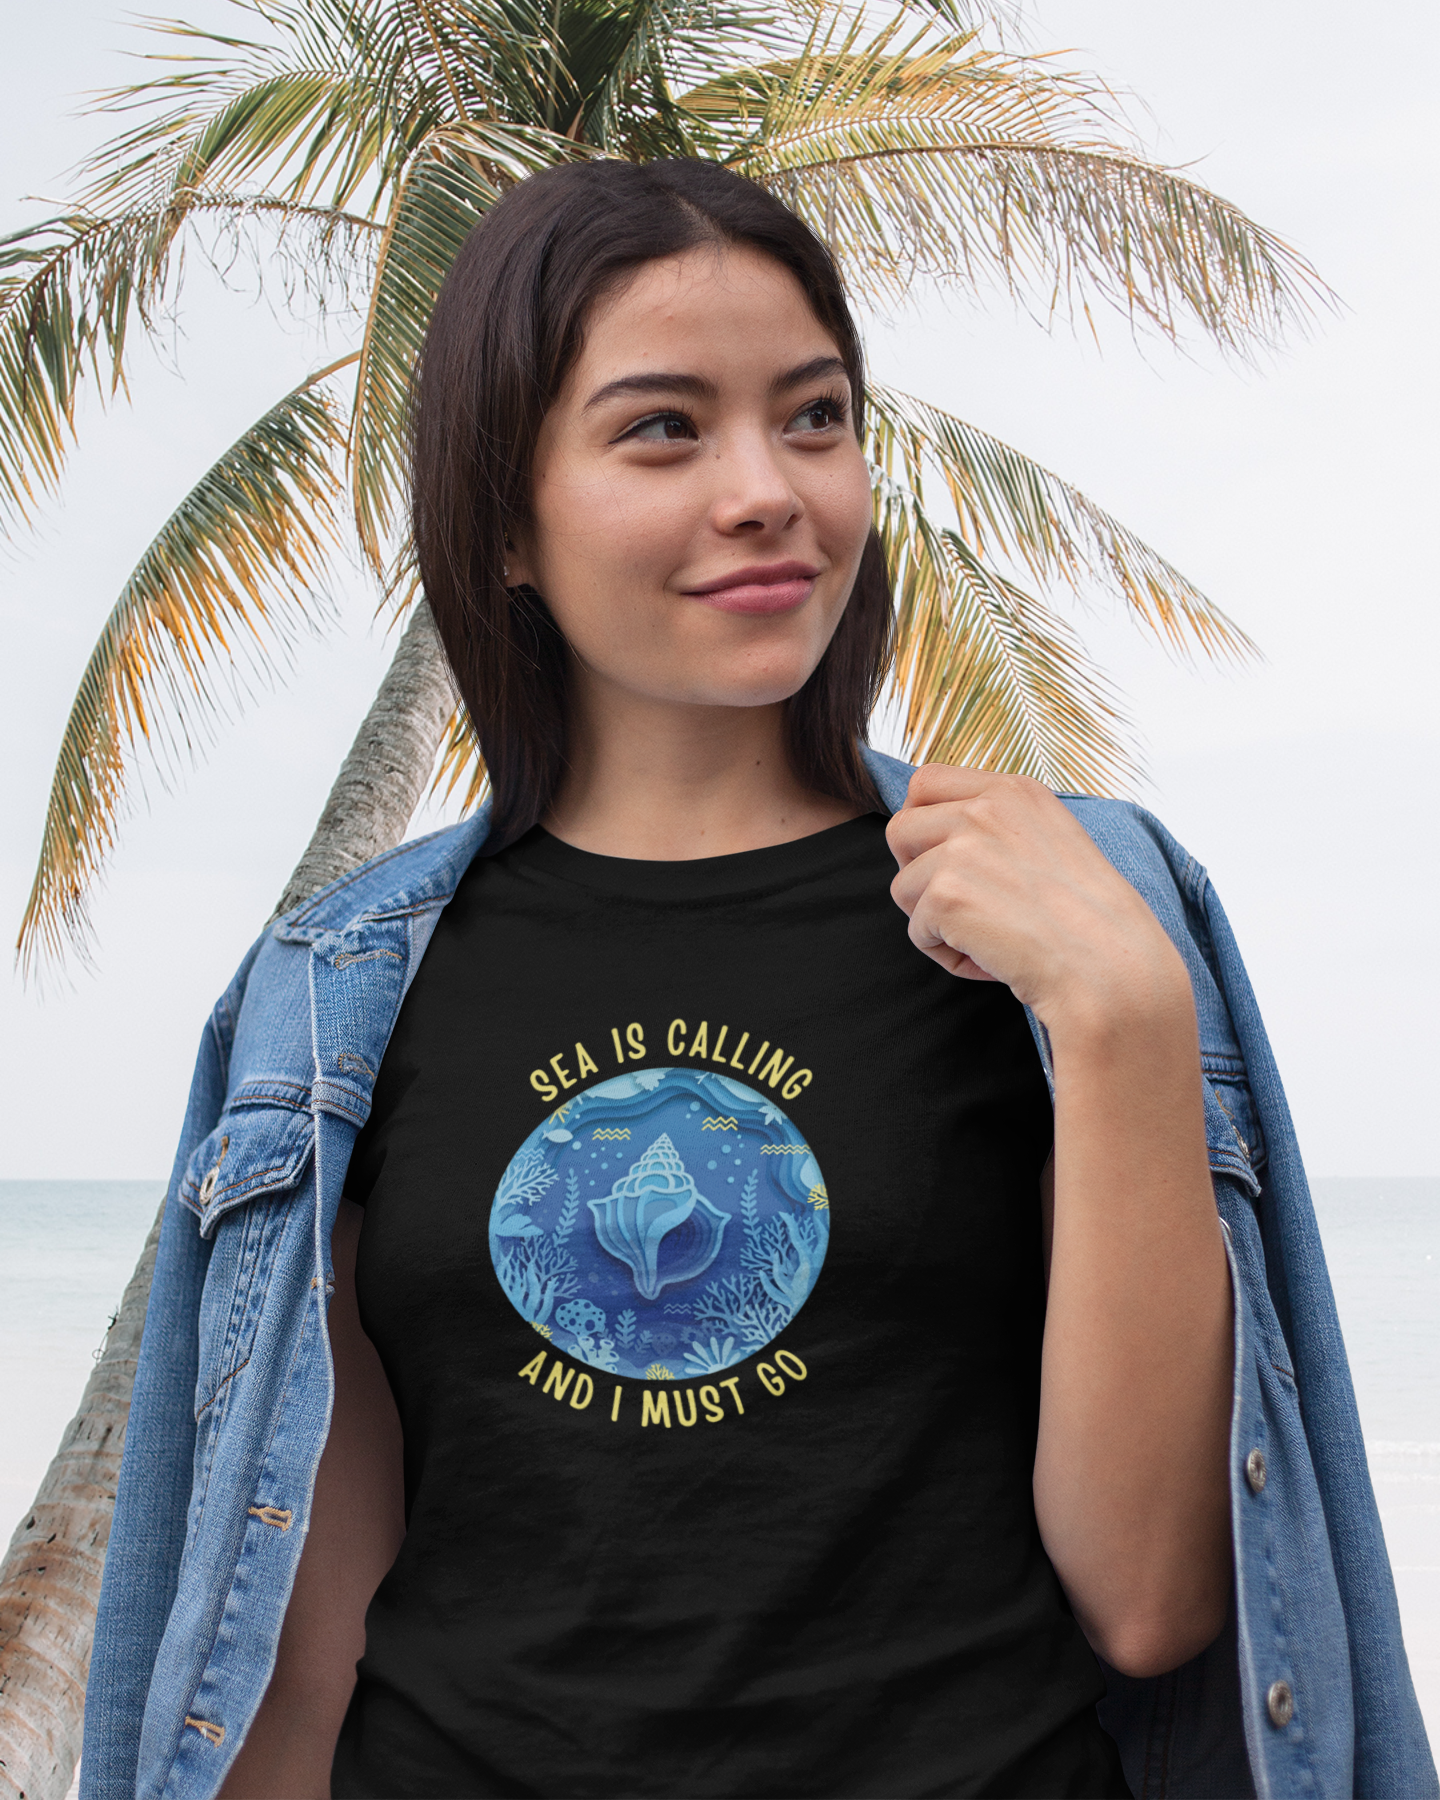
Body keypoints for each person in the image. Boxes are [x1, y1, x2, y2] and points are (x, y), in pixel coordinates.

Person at [80, 160, 1435, 1800]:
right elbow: (301, 1657)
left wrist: (1124, 1017)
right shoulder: (338, 992)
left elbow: (1150, 1601)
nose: (768, 491)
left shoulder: (1061, 907)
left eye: (814, 418)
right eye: (665, 428)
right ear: (503, 521)